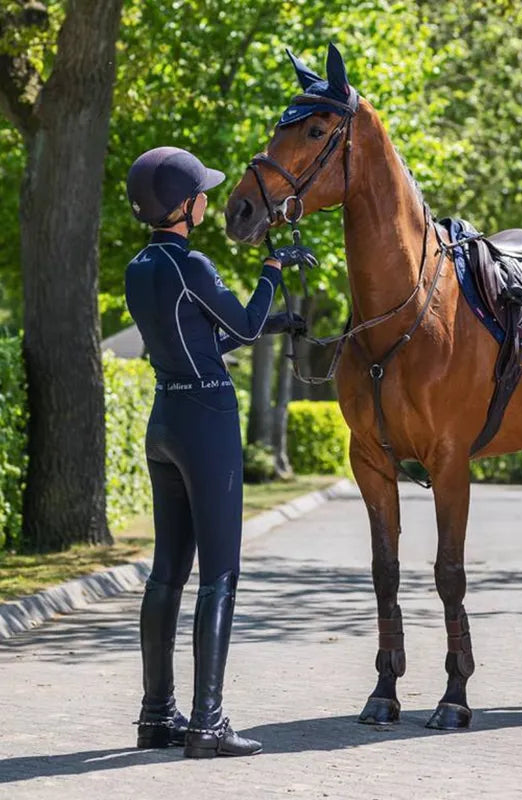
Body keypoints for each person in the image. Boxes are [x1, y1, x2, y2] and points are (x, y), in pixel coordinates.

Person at [125, 146, 315, 758]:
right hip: (206, 419)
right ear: (185, 206)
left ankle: (157, 716)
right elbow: (245, 324)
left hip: (165, 417)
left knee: (166, 574)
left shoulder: (140, 269)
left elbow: (216, 332)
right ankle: (208, 723)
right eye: (200, 191)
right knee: (221, 574)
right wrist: (273, 272)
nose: (208, 197)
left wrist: (276, 319)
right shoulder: (193, 265)